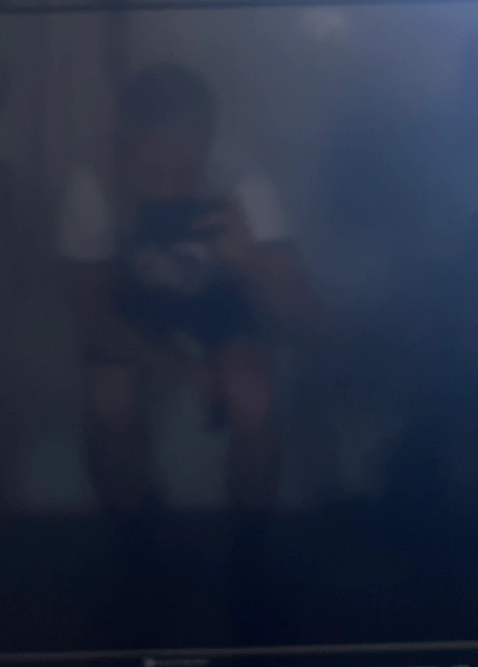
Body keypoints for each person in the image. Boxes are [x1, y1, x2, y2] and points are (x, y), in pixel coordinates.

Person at [58, 63, 315, 511]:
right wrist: (185, 368)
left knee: (253, 395)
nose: (165, 191)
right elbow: (90, 314)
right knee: (109, 400)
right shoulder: (94, 179)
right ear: (123, 149)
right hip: (133, 293)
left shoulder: (241, 178)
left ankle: (250, 541)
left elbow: (301, 310)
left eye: (182, 174)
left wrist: (248, 258)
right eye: (148, 172)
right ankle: (135, 537)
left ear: (207, 148)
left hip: (221, 293)